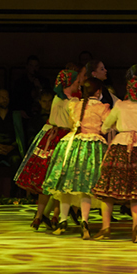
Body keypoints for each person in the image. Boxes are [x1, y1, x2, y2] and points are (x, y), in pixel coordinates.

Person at [92, 76, 137, 242]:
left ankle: (105, 227)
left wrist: (116, 127)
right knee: (135, 189)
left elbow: (105, 126)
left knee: (109, 187)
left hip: (120, 145)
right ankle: (136, 228)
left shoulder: (121, 105)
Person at [43, 76, 110, 239]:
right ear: (99, 91)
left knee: (67, 185)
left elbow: (71, 121)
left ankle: (63, 221)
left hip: (71, 144)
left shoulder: (74, 105)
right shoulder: (102, 107)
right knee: (85, 187)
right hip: (91, 145)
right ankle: (84, 222)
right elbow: (108, 126)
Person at [14, 68, 79, 229]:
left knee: (46, 180)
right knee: (59, 181)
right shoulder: (73, 102)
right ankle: (56, 216)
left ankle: (38, 216)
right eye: (77, 82)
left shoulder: (57, 98)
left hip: (50, 135)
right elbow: (73, 122)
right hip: (64, 138)